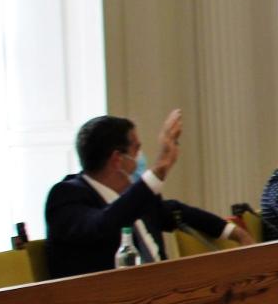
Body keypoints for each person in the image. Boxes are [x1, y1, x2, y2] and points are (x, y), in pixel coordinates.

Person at [45, 109, 253, 278]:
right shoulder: (66, 196)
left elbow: (177, 212)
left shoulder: (137, 198)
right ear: (118, 160)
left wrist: (236, 234)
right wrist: (159, 169)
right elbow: (103, 224)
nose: (141, 158)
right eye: (137, 149)